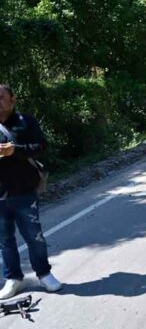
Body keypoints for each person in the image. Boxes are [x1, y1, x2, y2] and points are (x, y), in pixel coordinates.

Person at [0, 84, 61, 299]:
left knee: (34, 237)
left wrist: (16, 150)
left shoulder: (26, 122)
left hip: (24, 191)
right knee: (4, 241)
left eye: (1, 98)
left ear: (12, 100)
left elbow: (42, 146)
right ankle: (14, 279)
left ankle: (44, 274)